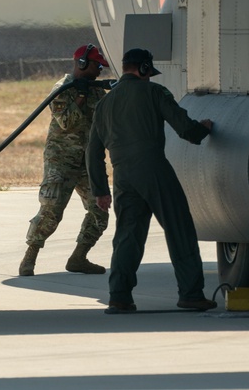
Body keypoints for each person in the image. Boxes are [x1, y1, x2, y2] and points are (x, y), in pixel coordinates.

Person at [86, 48, 216, 313]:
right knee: (179, 228)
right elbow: (185, 128)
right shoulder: (154, 92)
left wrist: (100, 190)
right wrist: (202, 129)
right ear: (144, 69)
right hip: (153, 168)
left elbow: (93, 151)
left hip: (123, 176)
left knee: (127, 236)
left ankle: (119, 297)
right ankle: (191, 294)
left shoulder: (104, 104)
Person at [19, 44, 111, 276]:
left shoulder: (98, 91)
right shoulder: (63, 89)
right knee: (51, 211)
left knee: (99, 211)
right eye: (96, 65)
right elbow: (67, 122)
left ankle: (79, 258)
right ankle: (30, 257)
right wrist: (79, 95)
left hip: (87, 162)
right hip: (61, 161)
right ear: (82, 64)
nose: (100, 70)